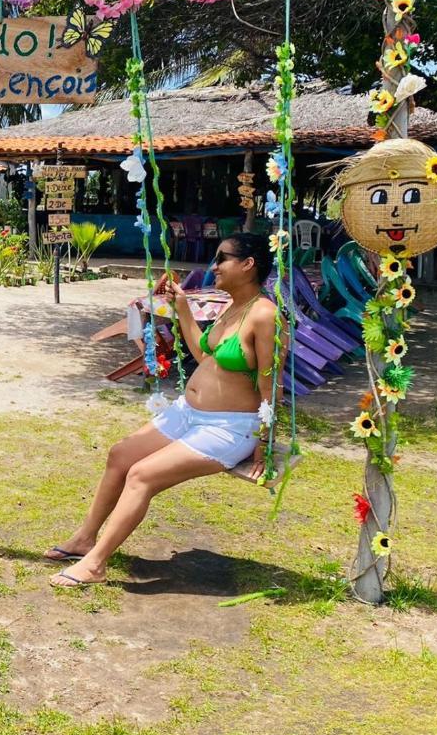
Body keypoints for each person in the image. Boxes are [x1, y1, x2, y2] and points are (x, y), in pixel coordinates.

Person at [46, 232, 283, 587]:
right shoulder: (233, 305)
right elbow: (205, 358)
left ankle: (96, 564)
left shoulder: (265, 315)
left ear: (248, 264)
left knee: (142, 475)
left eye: (223, 258)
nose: (214, 266)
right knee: (120, 455)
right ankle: (84, 538)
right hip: (188, 412)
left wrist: (263, 441)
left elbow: (271, 383)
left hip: (229, 427)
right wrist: (183, 308)